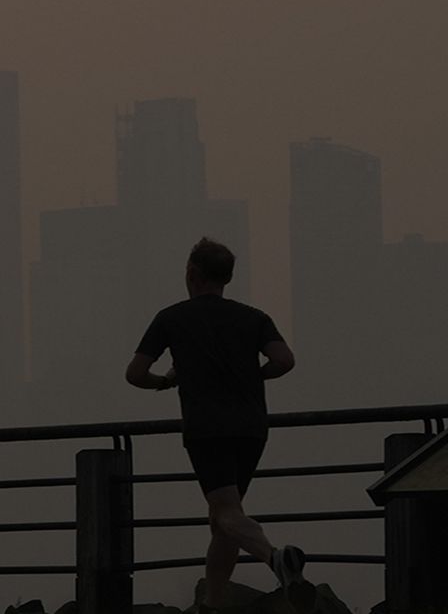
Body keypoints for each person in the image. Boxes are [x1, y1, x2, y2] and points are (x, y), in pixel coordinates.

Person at [127, 237, 313, 612]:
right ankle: (213, 603)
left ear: (192, 274)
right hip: (251, 426)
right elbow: (284, 360)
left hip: (206, 427)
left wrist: (167, 381)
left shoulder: (171, 318)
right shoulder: (253, 317)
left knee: (226, 512)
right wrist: (253, 375)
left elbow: (135, 373)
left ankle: (275, 558)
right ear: (226, 277)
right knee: (225, 517)